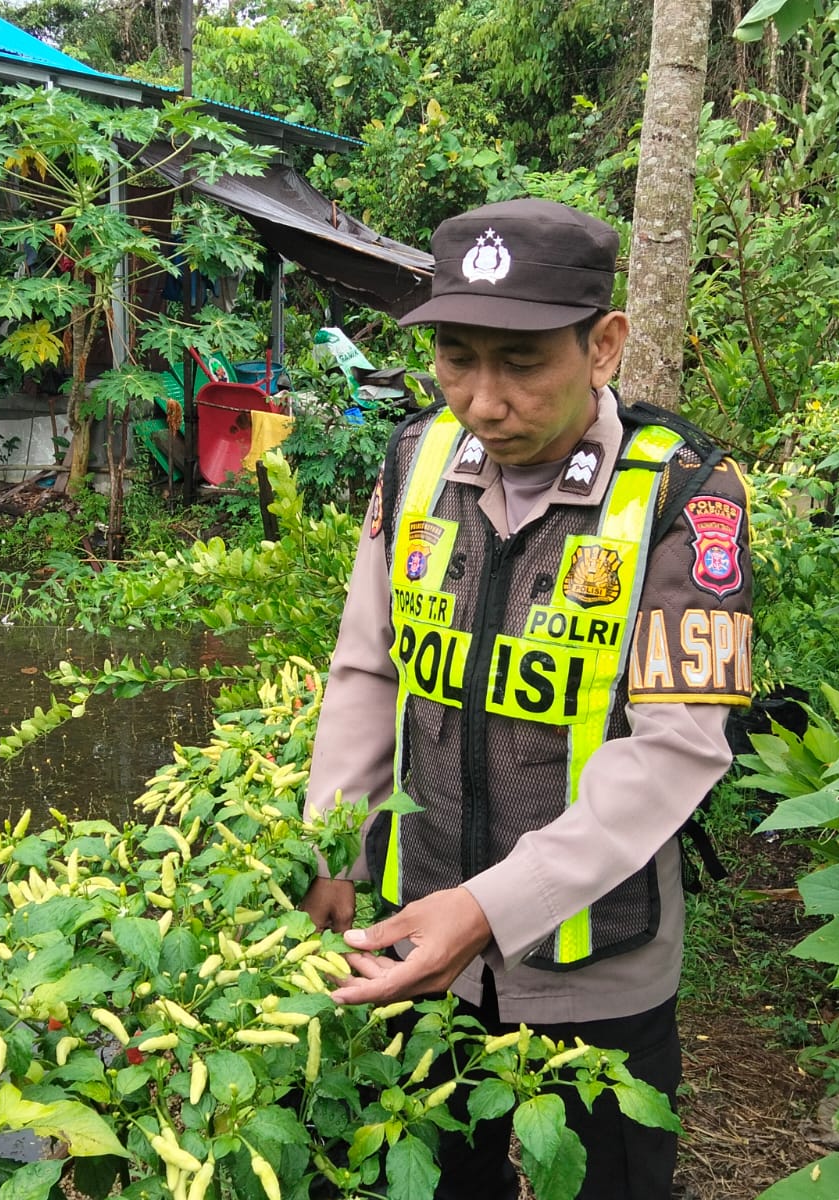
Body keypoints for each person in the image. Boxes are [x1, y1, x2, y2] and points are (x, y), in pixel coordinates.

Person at [300, 198, 754, 1200]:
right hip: (418, 936)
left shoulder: (683, 497)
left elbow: (675, 750)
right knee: (429, 1176)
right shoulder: (415, 461)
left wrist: (490, 907)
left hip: (598, 962)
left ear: (604, 346)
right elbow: (370, 668)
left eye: (520, 363)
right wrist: (335, 845)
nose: (483, 400)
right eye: (456, 359)